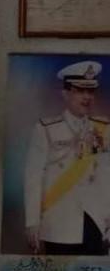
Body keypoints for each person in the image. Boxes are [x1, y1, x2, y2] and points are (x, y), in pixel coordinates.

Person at [24, 60, 109, 256]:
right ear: (65, 93)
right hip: (59, 221)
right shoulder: (46, 129)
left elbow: (107, 175)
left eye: (91, 91)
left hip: (96, 220)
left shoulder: (103, 128)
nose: (87, 97)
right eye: (80, 91)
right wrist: (32, 222)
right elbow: (33, 177)